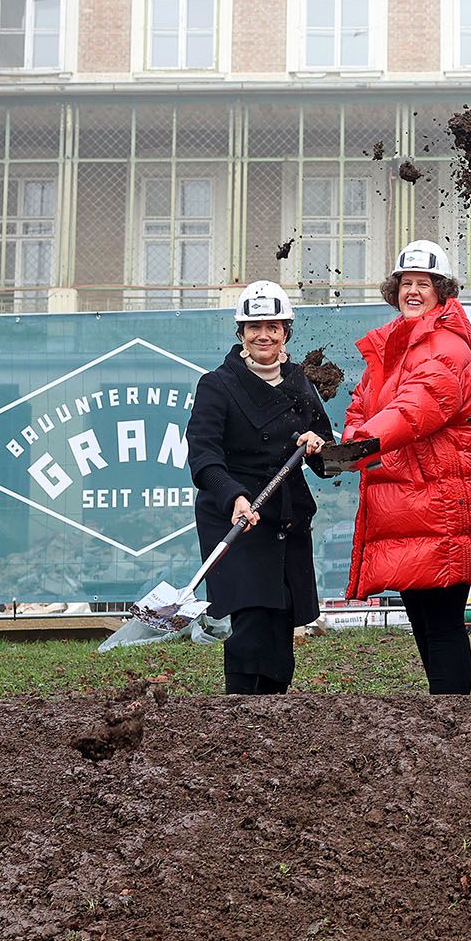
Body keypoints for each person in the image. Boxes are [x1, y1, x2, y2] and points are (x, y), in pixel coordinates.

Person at [342, 240, 471, 693]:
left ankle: (453, 716)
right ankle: (443, 715)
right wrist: (353, 437)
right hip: (412, 502)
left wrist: (363, 440)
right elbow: (364, 404)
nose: (413, 291)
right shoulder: (393, 344)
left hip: (443, 501)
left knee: (441, 622)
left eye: (424, 284)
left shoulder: (446, 346)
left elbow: (419, 405)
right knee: (423, 618)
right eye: (405, 283)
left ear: (442, 291)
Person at [185, 280, 335, 694]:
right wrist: (233, 496)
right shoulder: (217, 384)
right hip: (236, 515)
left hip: (285, 517)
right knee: (250, 617)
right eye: (254, 327)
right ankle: (240, 717)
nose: (263, 335)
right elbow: (203, 454)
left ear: (286, 330)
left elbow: (326, 455)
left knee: (280, 620)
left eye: (273, 326)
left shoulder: (299, 382)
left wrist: (316, 444)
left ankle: (274, 718)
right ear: (241, 334)